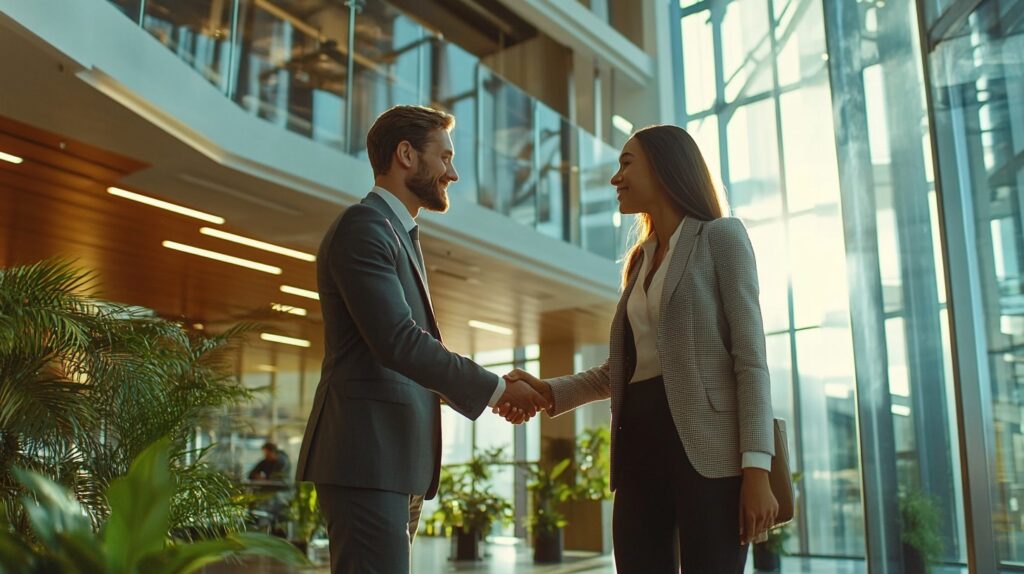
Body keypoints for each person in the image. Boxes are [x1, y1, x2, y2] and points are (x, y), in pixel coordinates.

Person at [505, 124, 777, 573]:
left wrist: (757, 469)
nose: (615, 178)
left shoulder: (721, 238)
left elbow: (750, 360)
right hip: (639, 447)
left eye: (626, 163)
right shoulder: (641, 259)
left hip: (710, 456)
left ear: (666, 167)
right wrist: (549, 391)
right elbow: (623, 368)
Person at [295, 105, 549, 574]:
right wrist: (495, 390)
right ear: (406, 154)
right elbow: (397, 341)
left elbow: (401, 359)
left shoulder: (397, 233)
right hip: (368, 457)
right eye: (445, 157)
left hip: (394, 460)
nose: (452, 173)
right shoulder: (365, 226)